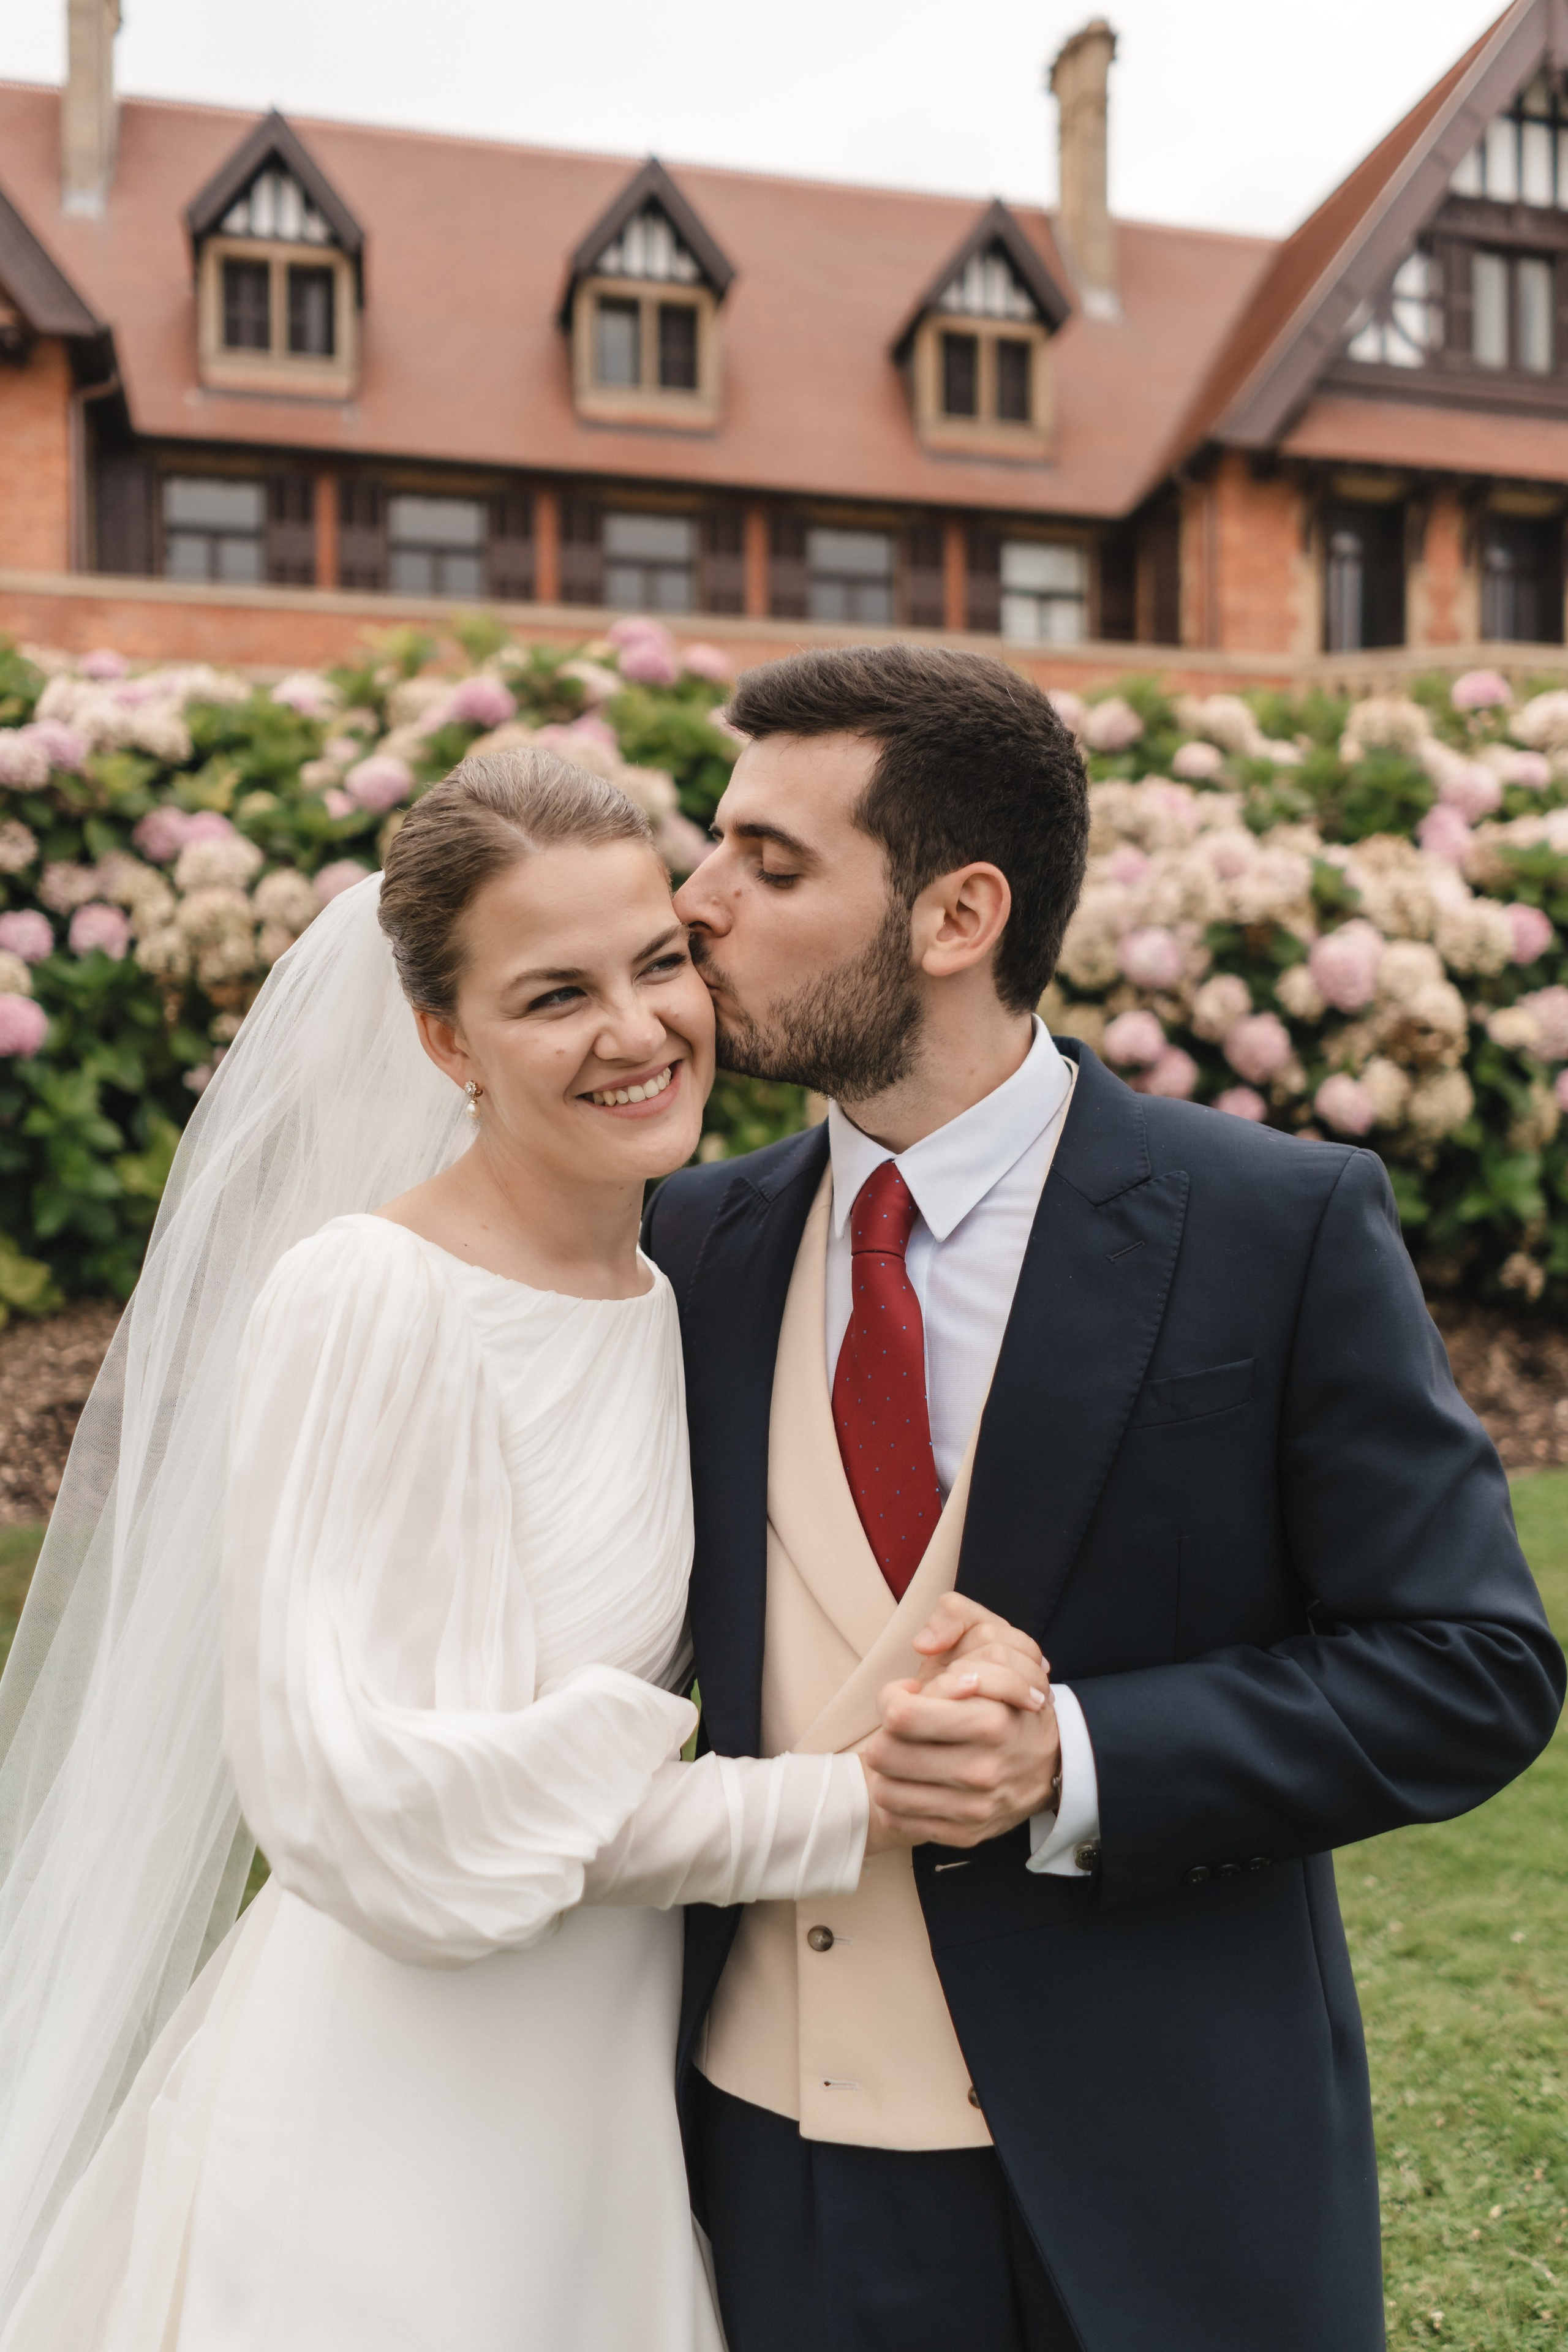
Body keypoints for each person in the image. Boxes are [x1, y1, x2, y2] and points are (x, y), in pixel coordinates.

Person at [644, 643, 1567, 2352]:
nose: (694, 904)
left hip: (1152, 2182)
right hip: (755, 2171)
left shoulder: (1275, 1227)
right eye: (716, 849)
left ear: (957, 914)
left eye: (770, 865)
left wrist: (1078, 1754)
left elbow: (1471, 1667)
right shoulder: (686, 1251)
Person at [0, 747, 957, 2351]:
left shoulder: (681, 1295)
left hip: (601, 2102)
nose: (637, 1031)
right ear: (445, 1038)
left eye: (660, 964)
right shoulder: (371, 1297)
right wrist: (849, 1808)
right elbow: (390, 1806)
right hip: (390, 2116)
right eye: (554, 995)